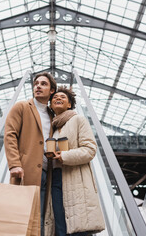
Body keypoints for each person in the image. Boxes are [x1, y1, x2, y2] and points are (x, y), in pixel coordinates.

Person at [44, 86, 105, 236]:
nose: (58, 98)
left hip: (75, 179)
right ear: (51, 105)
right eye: (55, 98)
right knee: (60, 227)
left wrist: (64, 156)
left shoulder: (78, 120)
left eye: (62, 97)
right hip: (55, 180)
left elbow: (90, 149)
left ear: (69, 104)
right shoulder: (51, 128)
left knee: (78, 228)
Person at [4, 71, 57, 236]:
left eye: (43, 84)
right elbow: (10, 135)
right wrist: (14, 164)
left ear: (52, 91)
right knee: (23, 218)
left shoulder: (52, 115)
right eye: (36, 84)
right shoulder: (21, 107)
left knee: (40, 219)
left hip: (48, 174)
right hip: (25, 171)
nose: (38, 86)